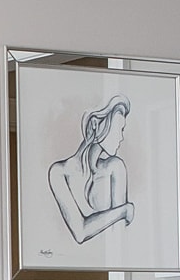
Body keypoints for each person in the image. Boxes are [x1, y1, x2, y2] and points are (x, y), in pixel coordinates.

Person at [48, 96, 133, 243]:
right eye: (119, 129)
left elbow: (118, 236)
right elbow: (80, 233)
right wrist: (124, 210)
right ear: (95, 124)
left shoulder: (115, 167)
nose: (121, 137)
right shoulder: (58, 172)